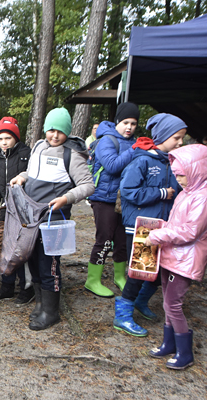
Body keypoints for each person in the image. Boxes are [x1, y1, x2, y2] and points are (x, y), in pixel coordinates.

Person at [11, 108, 94, 331]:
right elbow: (33, 172)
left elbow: (88, 185)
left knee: (49, 265)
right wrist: (21, 177)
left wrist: (66, 198)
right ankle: (40, 304)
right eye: (51, 130)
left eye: (60, 131)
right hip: (32, 217)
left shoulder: (72, 154)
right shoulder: (39, 146)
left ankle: (51, 311)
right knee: (33, 260)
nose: (54, 136)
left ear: (68, 132)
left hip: (53, 220)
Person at [114, 114, 185, 337]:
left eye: (182, 138)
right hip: (142, 226)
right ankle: (122, 314)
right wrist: (161, 193)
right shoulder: (143, 161)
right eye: (177, 138)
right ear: (163, 137)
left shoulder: (173, 163)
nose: (181, 143)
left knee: (159, 270)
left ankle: (140, 302)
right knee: (139, 272)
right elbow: (128, 192)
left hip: (164, 226)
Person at [145, 144, 207, 370]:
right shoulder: (187, 193)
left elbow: (191, 231)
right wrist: (160, 227)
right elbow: (176, 224)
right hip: (172, 254)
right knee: (167, 301)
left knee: (173, 303)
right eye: (177, 175)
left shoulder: (202, 197)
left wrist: (160, 234)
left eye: (183, 175)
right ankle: (169, 343)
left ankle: (184, 352)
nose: (179, 180)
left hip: (186, 259)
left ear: (196, 171)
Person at [85, 102, 139, 298]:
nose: (129, 127)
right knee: (104, 240)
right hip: (104, 198)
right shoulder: (106, 140)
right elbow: (112, 165)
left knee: (122, 240)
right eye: (125, 122)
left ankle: (120, 277)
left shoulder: (134, 141)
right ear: (117, 121)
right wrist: (135, 150)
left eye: (133, 123)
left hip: (125, 200)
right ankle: (92, 280)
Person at [0, 117, 33, 305]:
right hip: (6, 213)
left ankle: (27, 287)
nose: (4, 142)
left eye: (8, 138)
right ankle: (7, 286)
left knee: (23, 251)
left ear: (16, 138)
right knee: (6, 251)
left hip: (25, 212)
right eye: (0, 138)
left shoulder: (26, 156)